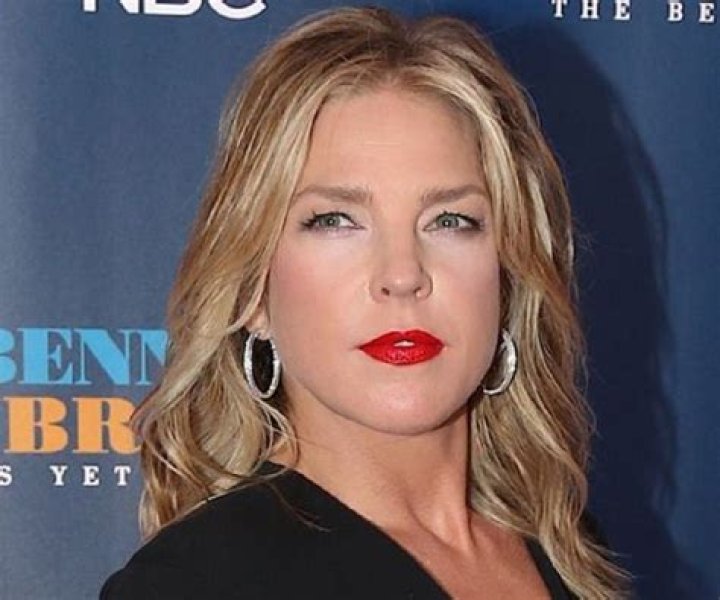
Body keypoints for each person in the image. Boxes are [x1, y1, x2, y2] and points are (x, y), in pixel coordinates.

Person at [100, 6, 628, 599]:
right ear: (253, 293)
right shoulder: (195, 585)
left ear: (507, 273)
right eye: (335, 221)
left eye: (450, 220)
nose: (402, 276)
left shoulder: (569, 552)